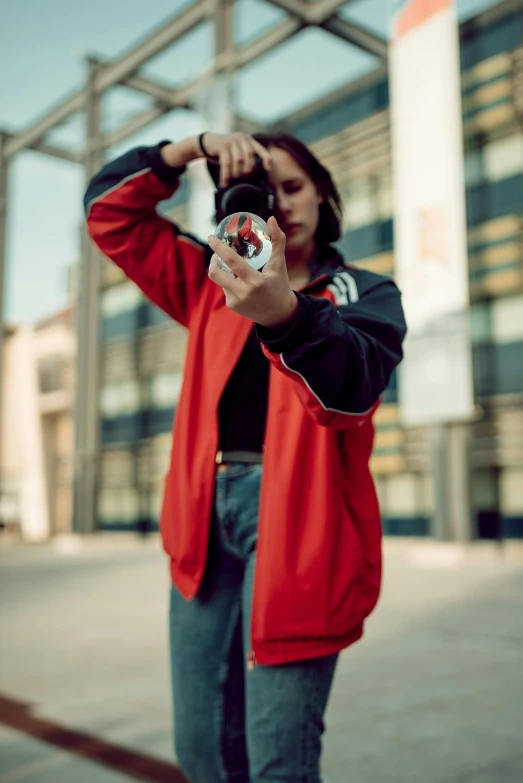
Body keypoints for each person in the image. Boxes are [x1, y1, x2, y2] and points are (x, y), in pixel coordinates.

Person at [84, 131, 407, 783]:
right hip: (204, 523)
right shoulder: (214, 283)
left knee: (278, 765)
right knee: (201, 751)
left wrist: (284, 314)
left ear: (322, 193)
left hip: (299, 534)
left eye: (292, 187)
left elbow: (353, 392)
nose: (281, 205)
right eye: (265, 192)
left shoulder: (361, 291)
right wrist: (187, 149)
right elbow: (108, 215)